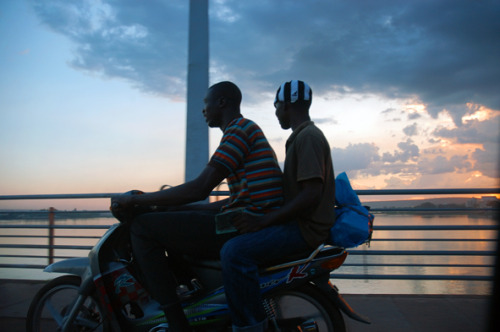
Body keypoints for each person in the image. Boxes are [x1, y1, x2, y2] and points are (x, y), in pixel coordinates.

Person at [111, 81, 284, 332]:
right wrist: (173, 209)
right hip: (247, 216)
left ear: (222, 102)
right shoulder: (243, 130)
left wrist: (136, 199)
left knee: (141, 227)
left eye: (206, 103)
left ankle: (175, 319)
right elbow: (237, 199)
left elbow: (199, 188)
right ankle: (194, 292)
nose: (204, 110)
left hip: (247, 225)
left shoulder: (238, 131)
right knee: (173, 215)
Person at [222, 80, 335, 332]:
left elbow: (311, 194)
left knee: (234, 252)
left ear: (286, 105)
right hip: (299, 224)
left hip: (304, 229)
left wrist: (263, 221)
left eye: (276, 106)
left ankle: (250, 326)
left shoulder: (308, 137)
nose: (275, 112)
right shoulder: (300, 137)